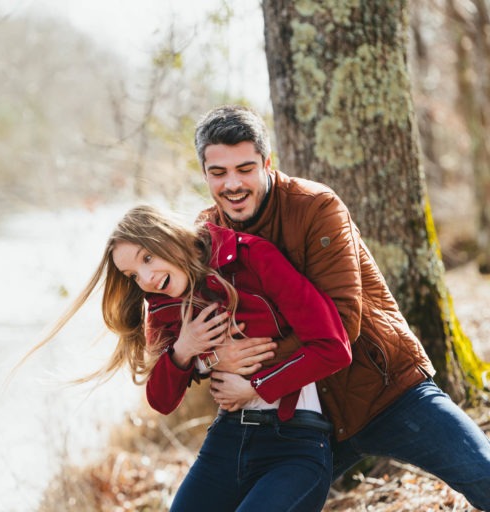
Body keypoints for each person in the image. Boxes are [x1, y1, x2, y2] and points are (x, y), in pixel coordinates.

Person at [193, 104, 490, 509]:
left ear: (267, 162)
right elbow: (186, 325)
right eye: (219, 173)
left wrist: (253, 368)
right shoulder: (206, 234)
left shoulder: (315, 206)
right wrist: (212, 358)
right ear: (205, 174)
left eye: (245, 169)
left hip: (385, 390)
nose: (233, 184)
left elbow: (343, 324)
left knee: (483, 474)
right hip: (306, 424)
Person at [23, 204, 352, 511]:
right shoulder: (162, 306)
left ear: (167, 235)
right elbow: (161, 399)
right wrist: (188, 350)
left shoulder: (251, 256)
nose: (147, 278)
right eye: (132, 275)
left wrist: (255, 388)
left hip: (294, 441)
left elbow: (333, 347)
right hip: (228, 438)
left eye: (147, 258)